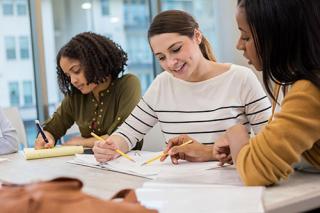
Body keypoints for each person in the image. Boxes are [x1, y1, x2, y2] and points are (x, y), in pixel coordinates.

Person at [163, 0, 320, 186]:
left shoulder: (310, 90)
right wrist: (209, 151)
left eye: (245, 37)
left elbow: (256, 171)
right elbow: (278, 144)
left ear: (280, 35)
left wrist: (235, 131)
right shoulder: (286, 82)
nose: (239, 45)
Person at [93, 10, 271, 162]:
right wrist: (110, 147)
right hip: (177, 187)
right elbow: (128, 133)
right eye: (161, 57)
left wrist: (209, 153)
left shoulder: (240, 78)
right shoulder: (162, 84)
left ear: (197, 36)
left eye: (176, 49)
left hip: (233, 186)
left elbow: (270, 142)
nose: (170, 63)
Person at [35, 32, 142, 149]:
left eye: (76, 70)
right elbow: (52, 129)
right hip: (89, 164)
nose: (73, 80)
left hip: (125, 163)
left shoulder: (128, 84)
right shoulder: (76, 96)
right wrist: (47, 137)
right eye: (68, 76)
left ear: (96, 62)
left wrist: (80, 141)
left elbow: (123, 136)